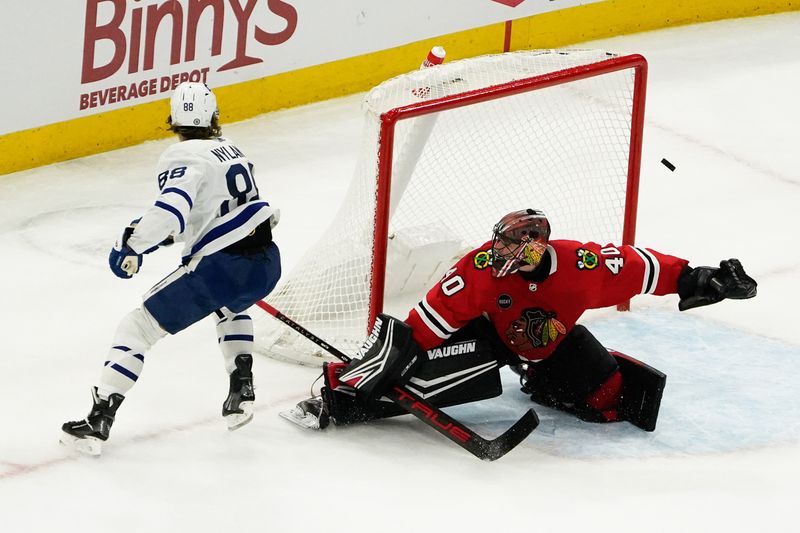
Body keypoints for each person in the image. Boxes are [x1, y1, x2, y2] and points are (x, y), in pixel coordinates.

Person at [282, 208, 756, 433]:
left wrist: (700, 278)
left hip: (549, 345)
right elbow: (426, 324)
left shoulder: (582, 267)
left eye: (511, 245)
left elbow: (644, 267)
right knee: (425, 380)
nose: (499, 252)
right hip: (487, 337)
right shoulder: (480, 270)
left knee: (608, 397)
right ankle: (344, 400)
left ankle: (541, 381)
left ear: (536, 245)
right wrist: (375, 374)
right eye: (500, 242)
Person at [61, 82, 281, 455]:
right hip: (266, 262)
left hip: (220, 267)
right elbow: (211, 213)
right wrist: (164, 237)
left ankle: (99, 419)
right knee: (230, 307)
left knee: (137, 327)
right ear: (213, 117)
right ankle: (241, 386)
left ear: (173, 121)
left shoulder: (185, 157)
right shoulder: (232, 151)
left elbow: (172, 211)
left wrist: (134, 244)